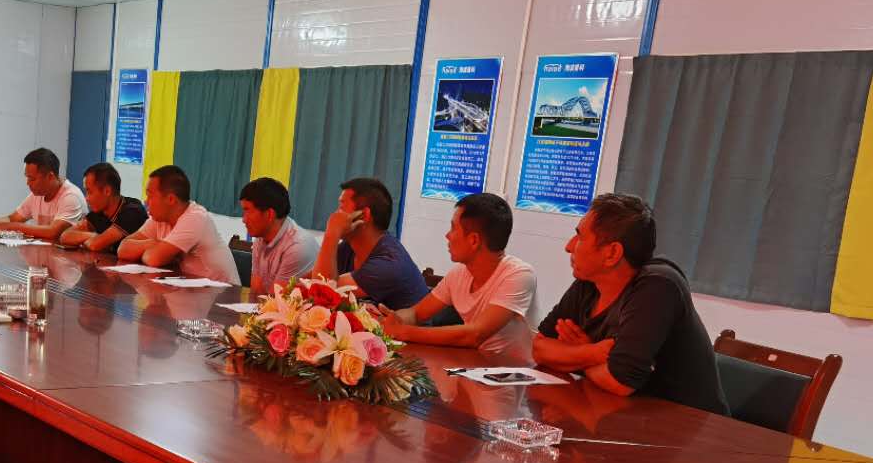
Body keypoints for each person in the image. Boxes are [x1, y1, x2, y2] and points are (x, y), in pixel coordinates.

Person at [533, 193, 728, 415]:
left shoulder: (658, 286)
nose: (569, 246)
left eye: (580, 237)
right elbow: (540, 348)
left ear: (612, 253)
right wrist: (593, 352)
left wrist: (573, 354)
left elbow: (620, 382)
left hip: (691, 424)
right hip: (621, 416)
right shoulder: (589, 282)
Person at [380, 193, 538, 363]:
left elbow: (474, 335)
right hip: (477, 365)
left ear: (473, 240)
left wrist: (403, 331)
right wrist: (394, 319)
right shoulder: (459, 273)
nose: (447, 236)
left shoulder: (519, 275)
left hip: (518, 372)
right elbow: (416, 313)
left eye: (453, 228)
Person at [309, 177, 428, 309]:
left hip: (405, 323)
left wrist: (332, 232)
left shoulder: (388, 262)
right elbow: (311, 280)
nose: (335, 216)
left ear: (364, 215)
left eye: (341, 208)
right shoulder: (350, 247)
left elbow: (323, 293)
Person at [116, 165, 236, 282]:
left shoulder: (195, 217)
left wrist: (153, 249)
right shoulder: (160, 218)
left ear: (170, 199)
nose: (146, 202)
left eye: (150, 196)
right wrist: (154, 243)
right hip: (189, 287)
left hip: (223, 291)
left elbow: (152, 259)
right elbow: (122, 249)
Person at [0, 147, 85, 242]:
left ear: (50, 177)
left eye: (32, 179)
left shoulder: (70, 196)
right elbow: (13, 218)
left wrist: (9, 227)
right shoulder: (37, 195)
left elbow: (52, 232)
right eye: (27, 177)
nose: (27, 183)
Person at [238, 177, 319, 294]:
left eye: (248, 211)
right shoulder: (260, 240)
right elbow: (256, 292)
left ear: (269, 214)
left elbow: (276, 298)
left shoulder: (297, 246)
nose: (244, 219)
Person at [59, 162, 147, 252]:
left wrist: (92, 239)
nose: (86, 198)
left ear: (107, 191)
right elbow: (65, 236)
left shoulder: (133, 210)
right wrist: (93, 236)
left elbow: (95, 245)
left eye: (89, 192)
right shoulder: (99, 212)